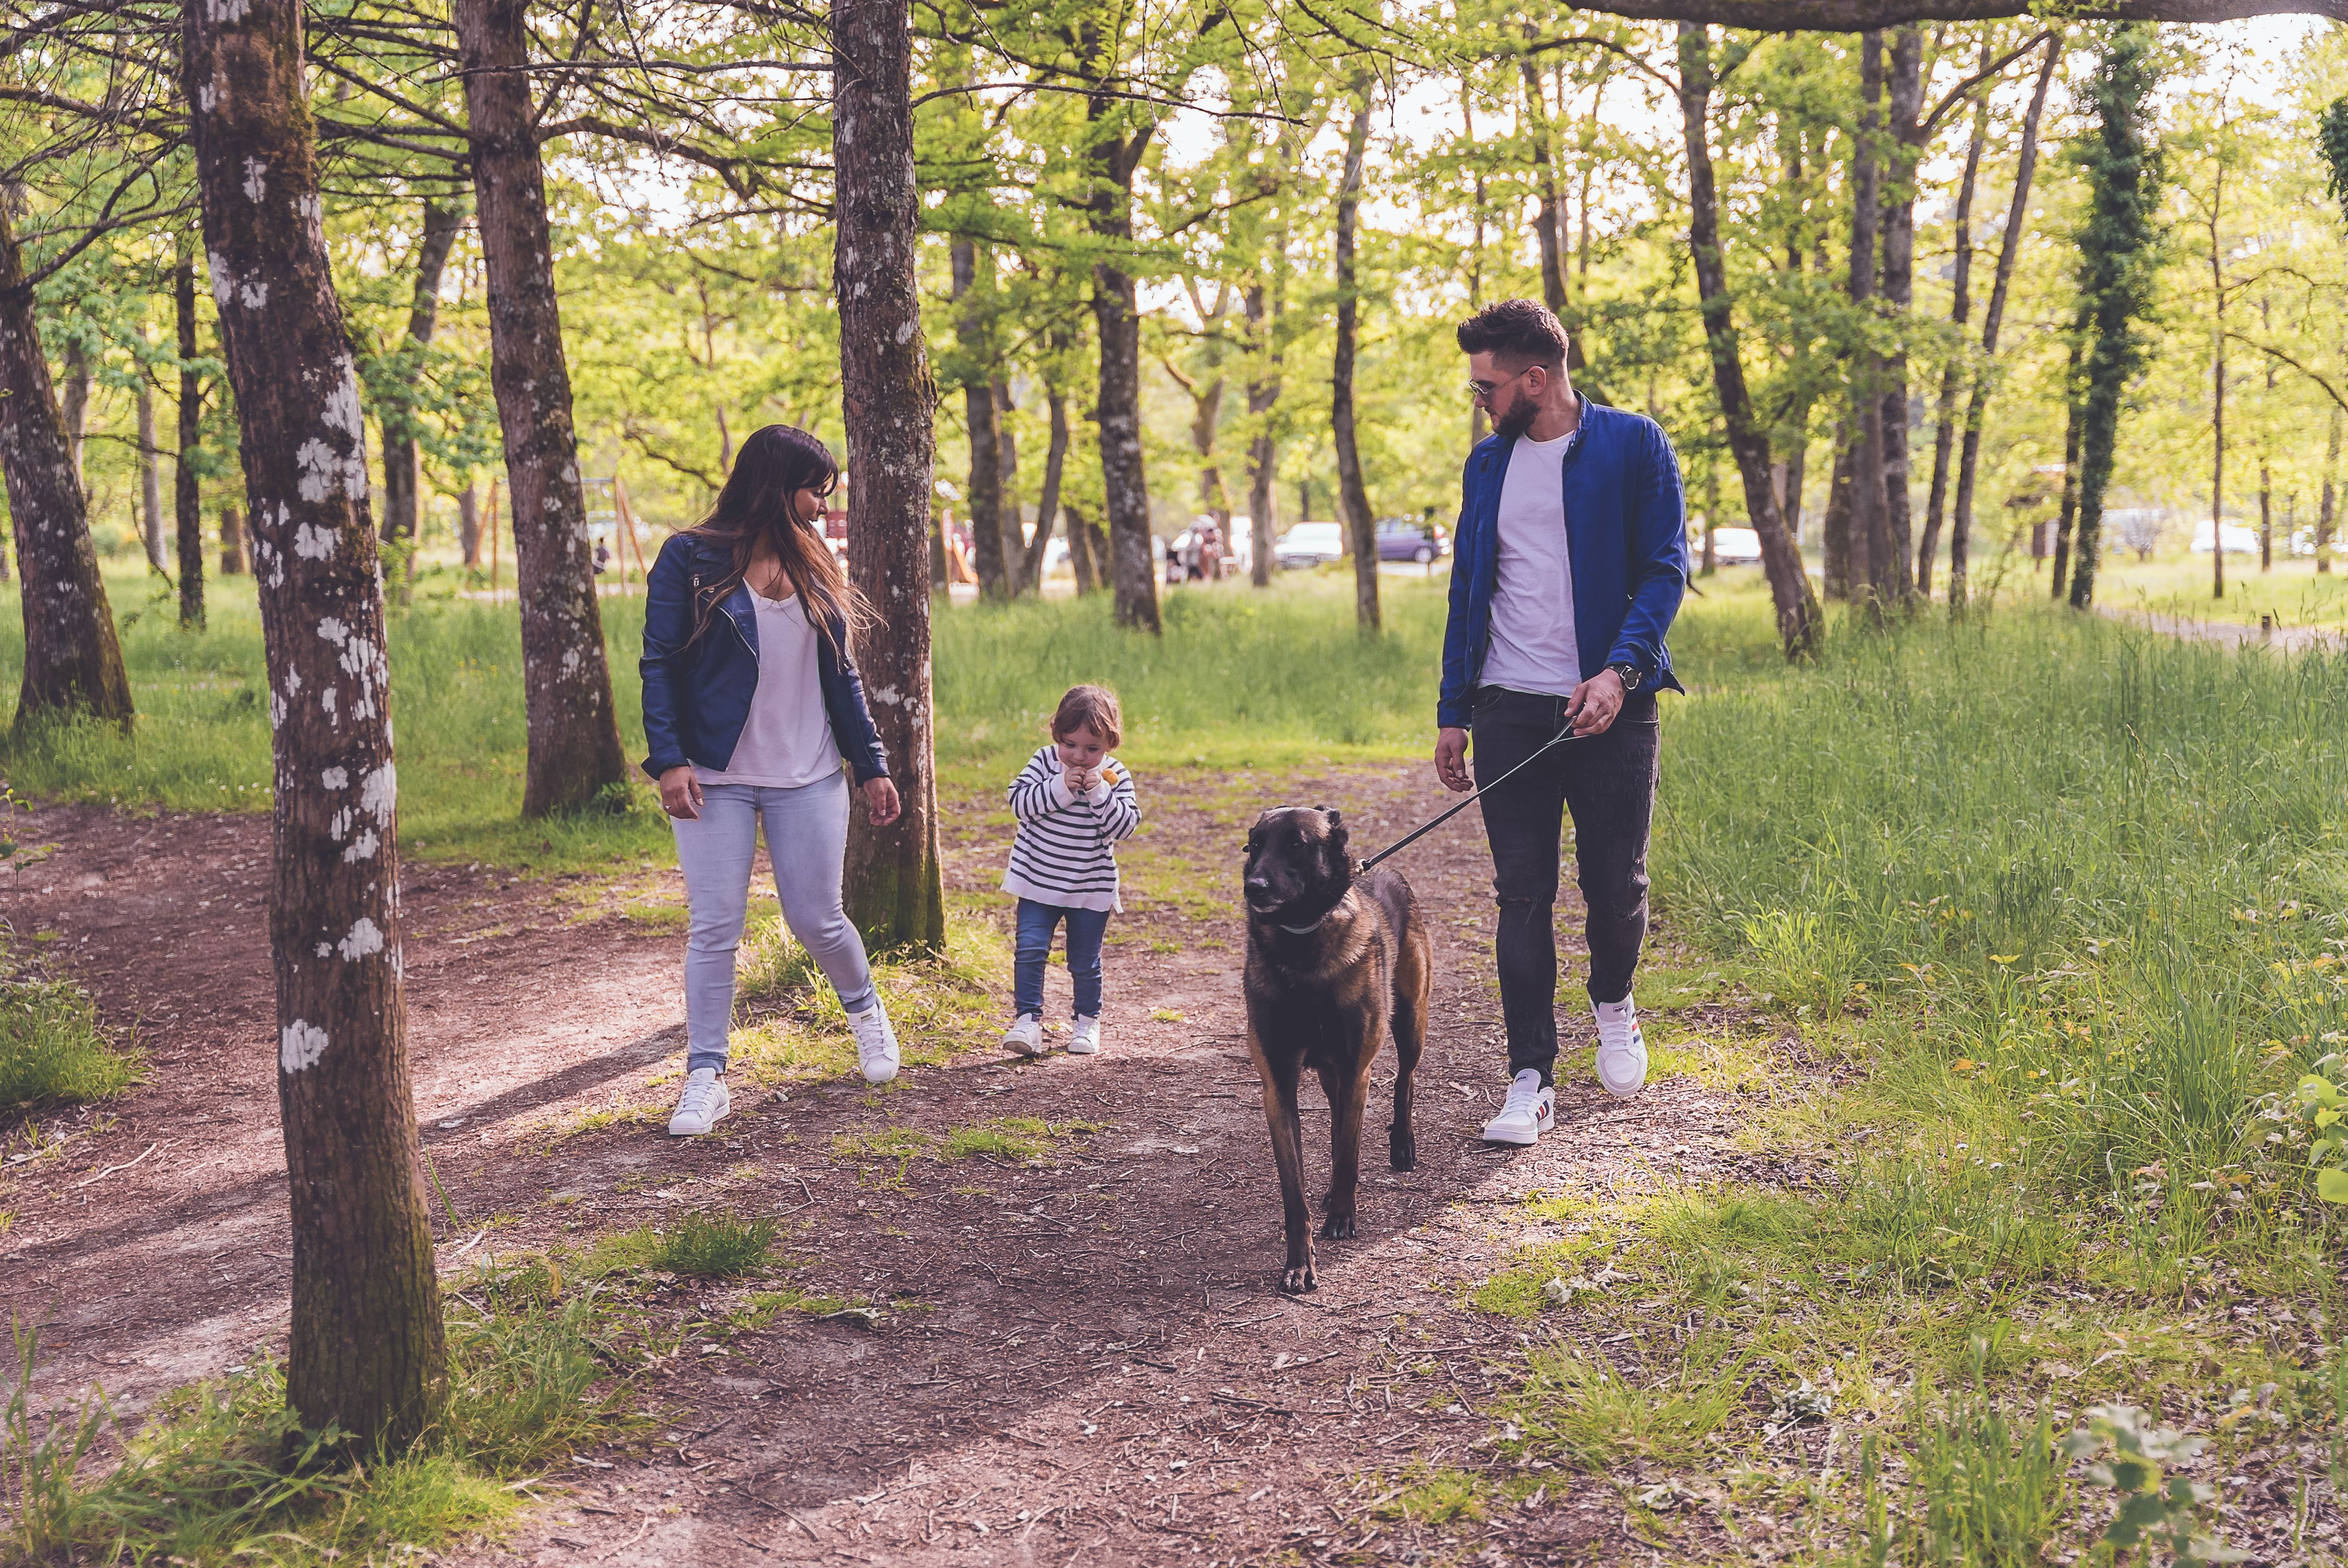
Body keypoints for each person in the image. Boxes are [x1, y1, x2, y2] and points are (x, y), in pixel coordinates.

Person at [1433, 299, 1687, 1146]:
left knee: (1616, 887)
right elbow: (1468, 589)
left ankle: (1613, 999)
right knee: (1521, 894)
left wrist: (1620, 672)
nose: (1480, 400)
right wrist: (1454, 712)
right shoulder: (1486, 465)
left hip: (1612, 710)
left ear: (1536, 380)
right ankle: (1531, 1079)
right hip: (1508, 707)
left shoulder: (1634, 445)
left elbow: (1665, 571)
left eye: (1488, 387)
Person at [640, 424, 906, 1137]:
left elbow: (844, 676)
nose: (823, 505)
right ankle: (706, 1076)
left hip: (809, 772)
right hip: (714, 775)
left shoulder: (817, 561)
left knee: (817, 919)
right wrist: (669, 759)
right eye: (815, 491)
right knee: (714, 927)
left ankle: (866, 1014)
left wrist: (871, 765)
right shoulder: (688, 558)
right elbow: (659, 662)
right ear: (775, 486)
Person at [1000, 685, 1141, 1059]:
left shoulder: (1114, 775)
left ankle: (1087, 1022)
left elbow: (1125, 827)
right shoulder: (1045, 762)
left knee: (1084, 960)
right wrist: (1059, 787)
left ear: (1110, 743)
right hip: (1037, 881)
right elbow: (1019, 803)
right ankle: (1027, 1021)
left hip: (1090, 886)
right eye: (1070, 744)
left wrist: (1100, 795)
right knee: (1030, 951)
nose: (1079, 757)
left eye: (1092, 749)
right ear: (1056, 735)